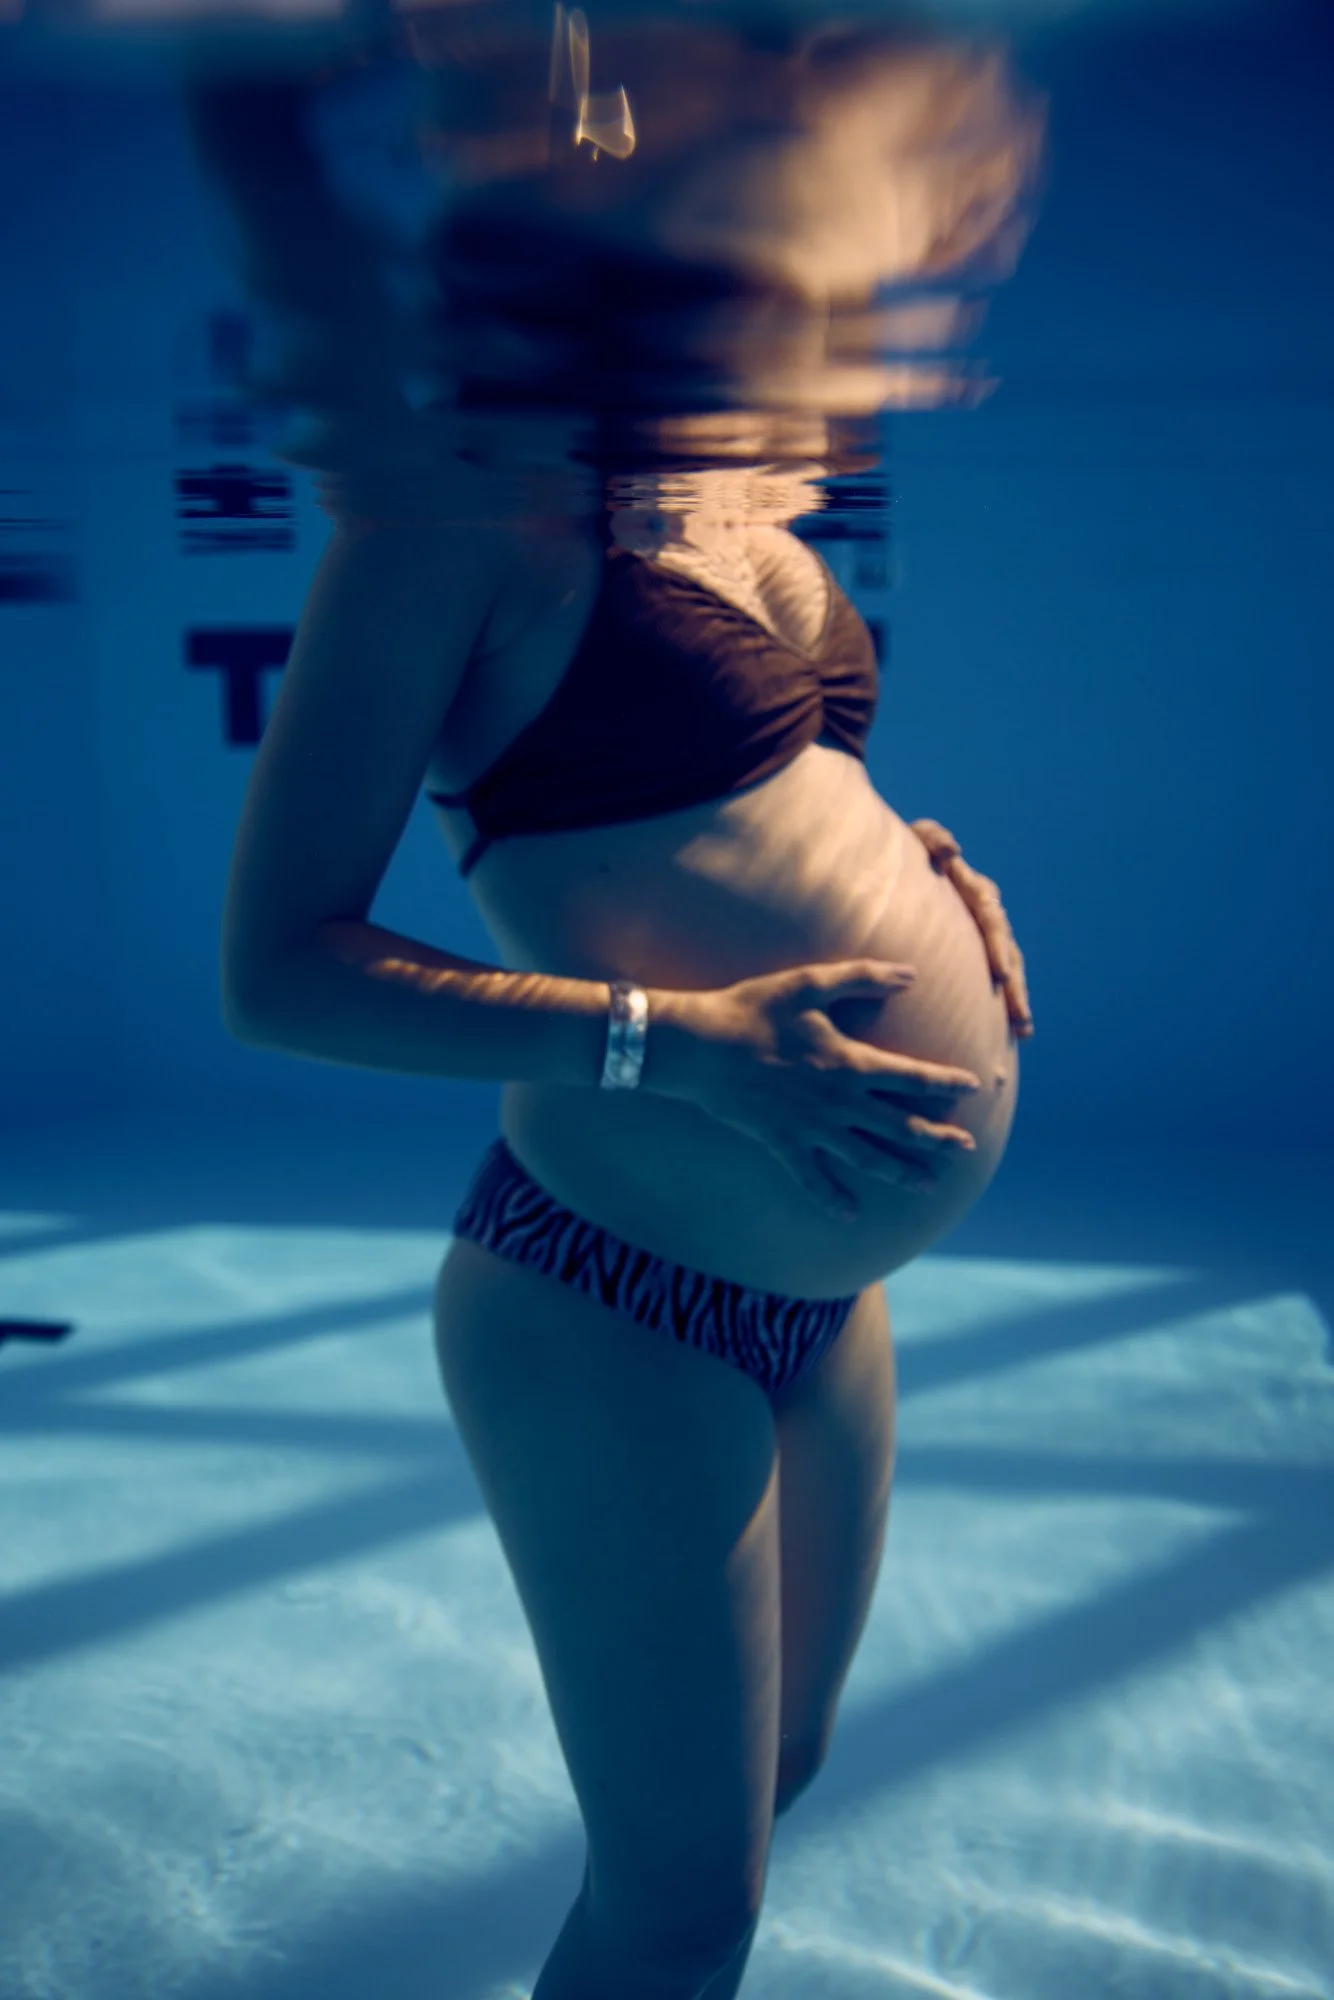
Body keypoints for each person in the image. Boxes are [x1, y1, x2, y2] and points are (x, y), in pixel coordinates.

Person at [197, 12, 1040, 1996]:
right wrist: (687, 1042)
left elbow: (730, 800)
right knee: (685, 1906)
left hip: (827, 1285)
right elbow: (271, 970)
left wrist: (928, 868)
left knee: (784, 1768)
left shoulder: (760, 487)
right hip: (611, 1293)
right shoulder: (452, 518)